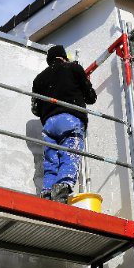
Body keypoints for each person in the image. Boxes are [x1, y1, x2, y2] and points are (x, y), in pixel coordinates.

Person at [32, 45, 97, 203]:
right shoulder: (73, 68)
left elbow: (35, 109)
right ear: (64, 57)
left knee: (51, 161)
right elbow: (91, 97)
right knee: (70, 153)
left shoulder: (38, 79)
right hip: (70, 118)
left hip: (48, 125)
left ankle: (47, 192)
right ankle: (62, 186)